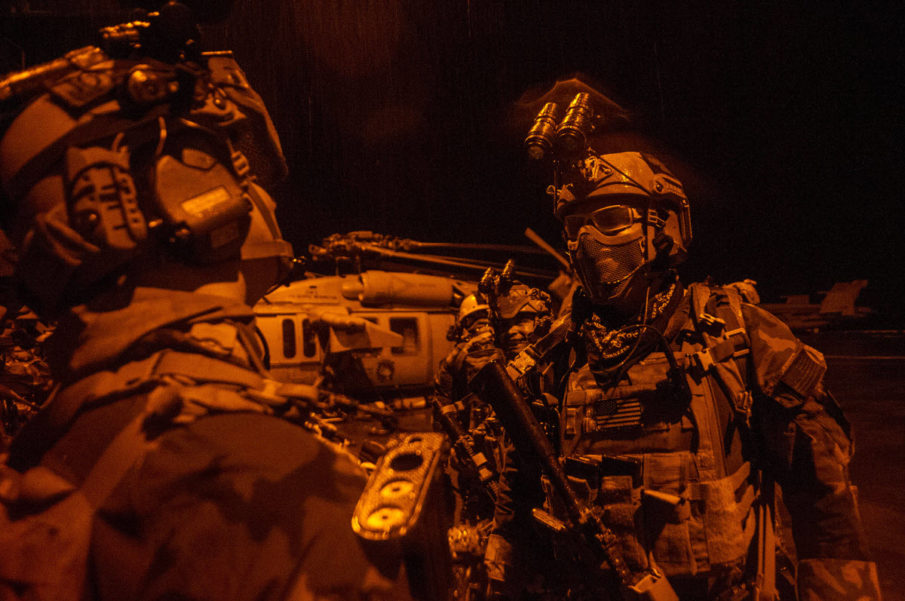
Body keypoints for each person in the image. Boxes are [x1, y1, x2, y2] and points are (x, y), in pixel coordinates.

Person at [0, 3, 411, 600]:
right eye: (222, 158)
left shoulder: (53, 454)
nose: (252, 192)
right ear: (180, 195)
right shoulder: (277, 489)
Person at [478, 94, 881, 600]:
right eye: (575, 227)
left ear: (662, 226)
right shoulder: (554, 360)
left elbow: (825, 507)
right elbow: (517, 506)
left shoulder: (737, 336)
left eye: (610, 219)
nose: (587, 241)